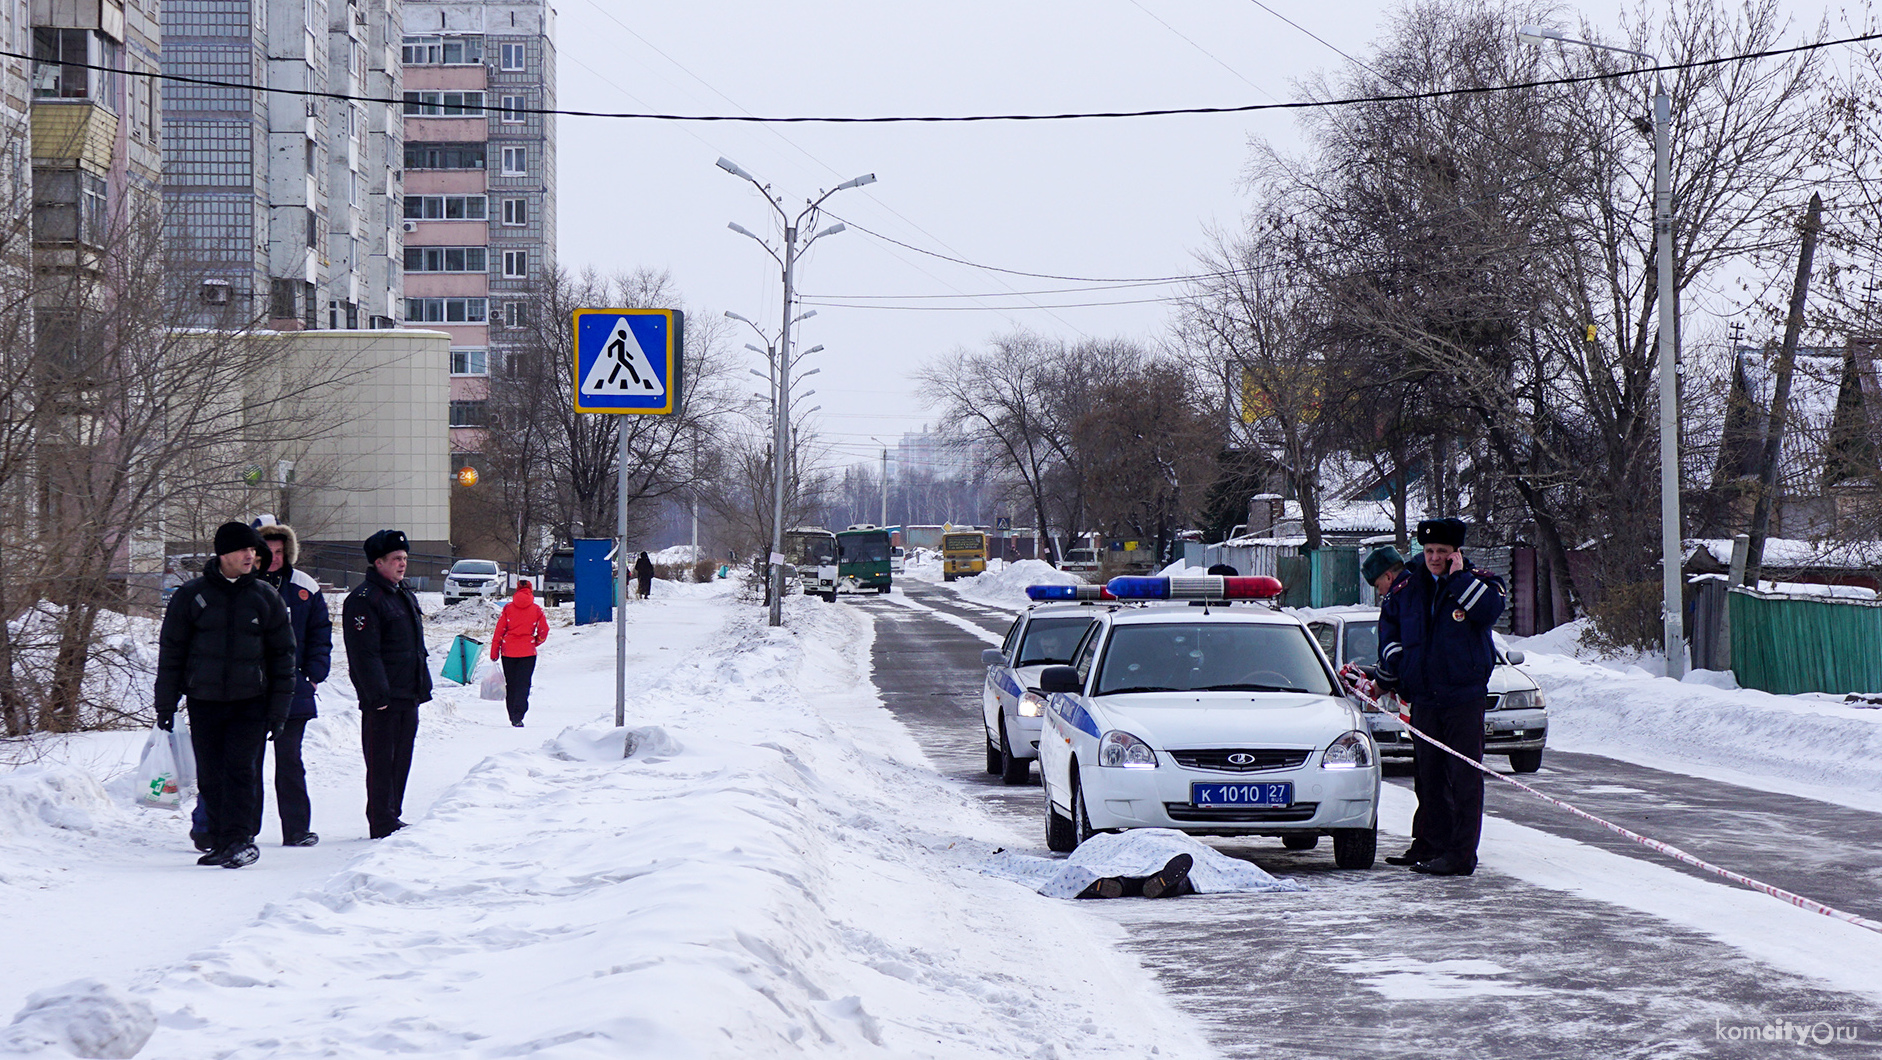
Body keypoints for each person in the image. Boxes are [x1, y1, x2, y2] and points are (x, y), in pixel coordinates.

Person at [154, 522, 296, 869]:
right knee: (211, 774)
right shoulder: (193, 596)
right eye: (243, 550)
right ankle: (219, 839)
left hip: (251, 702)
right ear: (223, 554)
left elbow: (284, 657)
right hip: (204, 701)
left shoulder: (265, 597)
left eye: (253, 551)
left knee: (241, 771)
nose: (251, 556)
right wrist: (166, 702)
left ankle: (240, 840)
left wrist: (279, 710)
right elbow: (172, 651)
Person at [1375, 518, 1506, 877]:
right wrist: (1400, 669)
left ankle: (1461, 855)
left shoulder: (1480, 583)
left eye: (1442, 552)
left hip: (1463, 697)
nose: (1434, 558)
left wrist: (1459, 578)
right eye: (1429, 551)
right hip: (1425, 698)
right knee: (1428, 777)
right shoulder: (1407, 589)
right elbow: (1389, 634)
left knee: (1463, 779)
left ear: (1456, 554)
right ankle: (1429, 844)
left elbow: (1490, 612)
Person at [343, 529, 433, 839]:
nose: (402, 564)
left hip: (408, 693)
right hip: (384, 699)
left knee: (402, 760)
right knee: (382, 763)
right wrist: (377, 695)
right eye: (396, 559)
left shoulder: (402, 594)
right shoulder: (364, 600)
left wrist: (421, 686)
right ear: (378, 562)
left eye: (405, 558)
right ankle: (381, 821)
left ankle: (393, 815)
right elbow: (364, 654)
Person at [255, 523, 332, 844]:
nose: (273, 558)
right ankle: (243, 831)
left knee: (290, 761)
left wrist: (314, 675)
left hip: (293, 691)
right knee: (247, 764)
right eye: (267, 552)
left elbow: (320, 634)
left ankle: (297, 829)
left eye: (279, 552)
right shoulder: (244, 586)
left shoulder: (304, 587)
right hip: (251, 690)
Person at [489, 582, 549, 727]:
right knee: (523, 684)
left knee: (512, 684)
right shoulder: (536, 609)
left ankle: (512, 715)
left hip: (508, 651)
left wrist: (494, 651)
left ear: (517, 590)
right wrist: (535, 642)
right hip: (527, 652)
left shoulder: (508, 608)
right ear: (531, 590)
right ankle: (519, 715)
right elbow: (544, 630)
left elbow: (499, 631)